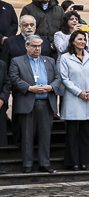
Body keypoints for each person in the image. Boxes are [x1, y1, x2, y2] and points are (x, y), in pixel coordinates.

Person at [9, 36, 64, 173]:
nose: (37, 49)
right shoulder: (17, 61)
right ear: (26, 46)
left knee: (45, 135)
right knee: (27, 136)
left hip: (46, 103)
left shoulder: (50, 61)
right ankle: (27, 165)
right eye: (34, 46)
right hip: (28, 103)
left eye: (39, 46)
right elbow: (14, 79)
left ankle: (45, 163)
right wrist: (29, 88)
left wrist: (50, 87)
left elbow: (58, 78)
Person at [57, 30, 89, 170]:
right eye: (80, 39)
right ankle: (73, 161)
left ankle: (84, 161)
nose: (83, 42)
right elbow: (64, 78)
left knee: (85, 133)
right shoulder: (65, 58)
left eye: (84, 39)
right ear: (73, 41)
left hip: (88, 99)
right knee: (72, 133)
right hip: (73, 99)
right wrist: (79, 92)